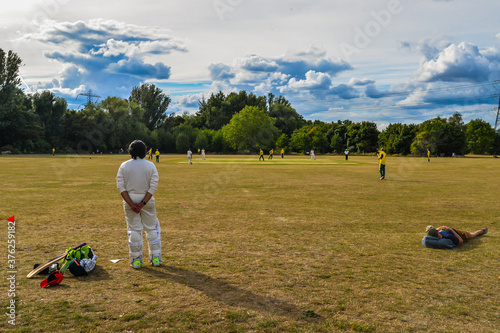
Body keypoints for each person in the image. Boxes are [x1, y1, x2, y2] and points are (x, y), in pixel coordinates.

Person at [116, 140, 162, 268]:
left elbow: (120, 187)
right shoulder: (151, 166)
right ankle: (156, 258)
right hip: (147, 200)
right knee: (152, 228)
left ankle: (136, 260)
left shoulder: (124, 166)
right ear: (145, 152)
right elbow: (153, 186)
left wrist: (131, 204)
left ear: (130, 151)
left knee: (134, 229)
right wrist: (142, 203)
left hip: (129, 198)